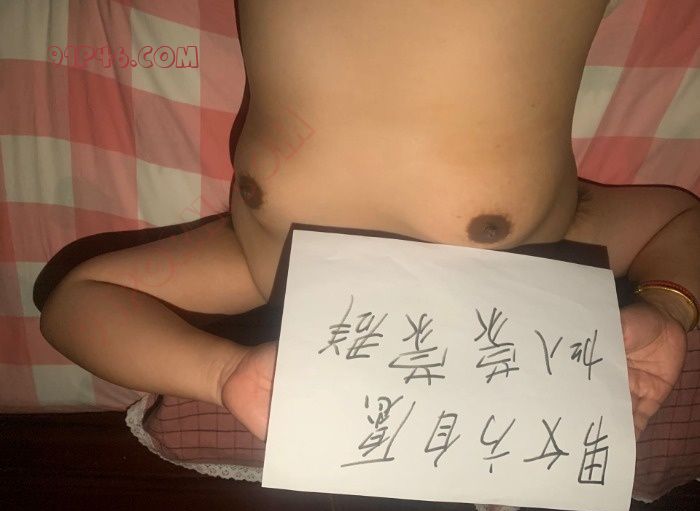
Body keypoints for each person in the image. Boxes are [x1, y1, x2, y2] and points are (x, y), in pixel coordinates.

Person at [39, 0, 698, 443]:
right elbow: (679, 221)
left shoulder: (267, 265)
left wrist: (222, 373)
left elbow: (74, 304)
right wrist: (669, 306)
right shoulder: (541, 244)